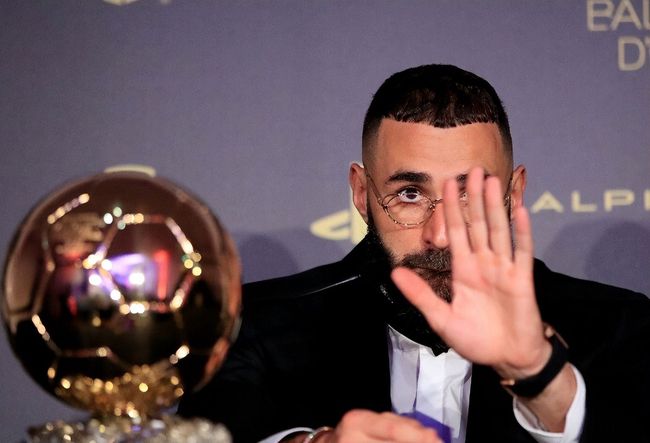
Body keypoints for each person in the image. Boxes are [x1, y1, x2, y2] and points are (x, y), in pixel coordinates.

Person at [178, 64, 650, 443]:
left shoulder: (620, 324)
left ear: (514, 192)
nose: (441, 235)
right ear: (362, 195)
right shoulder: (247, 327)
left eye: (472, 195)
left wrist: (538, 375)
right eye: (409, 194)